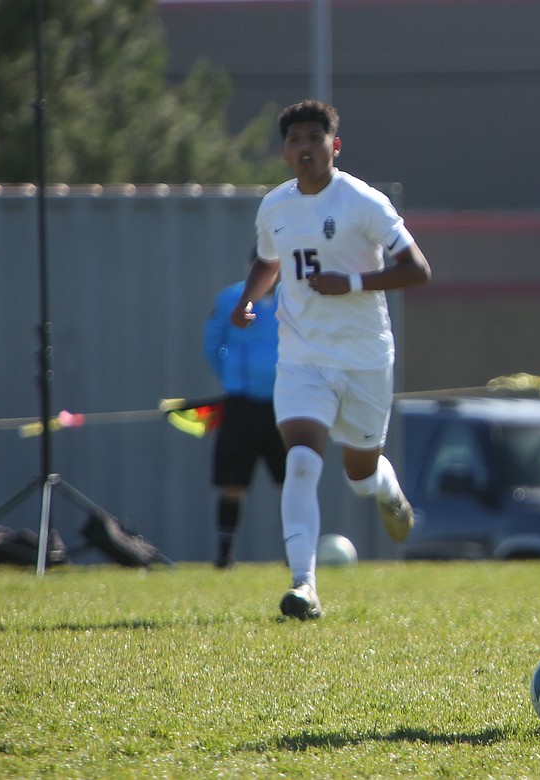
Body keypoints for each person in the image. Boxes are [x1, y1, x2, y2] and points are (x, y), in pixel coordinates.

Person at [232, 99, 431, 620]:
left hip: (365, 358)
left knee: (360, 476)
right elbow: (268, 260)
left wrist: (354, 283)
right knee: (300, 461)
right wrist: (250, 298)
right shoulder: (275, 206)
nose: (305, 148)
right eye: (295, 139)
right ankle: (304, 587)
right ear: (284, 150)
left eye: (314, 139)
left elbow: (418, 269)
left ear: (333, 146)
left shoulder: (364, 202)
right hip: (302, 357)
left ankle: (388, 491)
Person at [203, 249, 287, 569]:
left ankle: (296, 552)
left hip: (283, 403)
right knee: (232, 481)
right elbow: (212, 342)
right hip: (241, 404)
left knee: (292, 479)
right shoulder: (230, 299)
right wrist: (233, 376)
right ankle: (225, 555)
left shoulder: (291, 300)